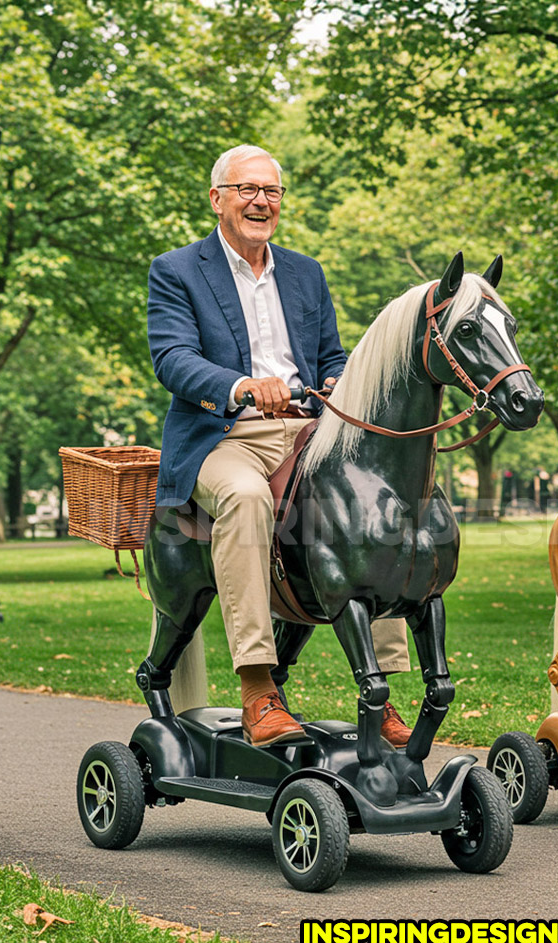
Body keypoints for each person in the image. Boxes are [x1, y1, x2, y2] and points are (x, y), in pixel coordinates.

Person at [147, 144, 412, 749]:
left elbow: (331, 357)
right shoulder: (177, 270)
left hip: (310, 429)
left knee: (378, 508)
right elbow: (172, 359)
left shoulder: (305, 271)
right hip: (224, 435)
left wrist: (340, 383)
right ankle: (258, 687)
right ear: (218, 200)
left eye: (271, 191)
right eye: (247, 190)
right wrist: (241, 385)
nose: (261, 201)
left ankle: (382, 691)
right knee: (244, 499)